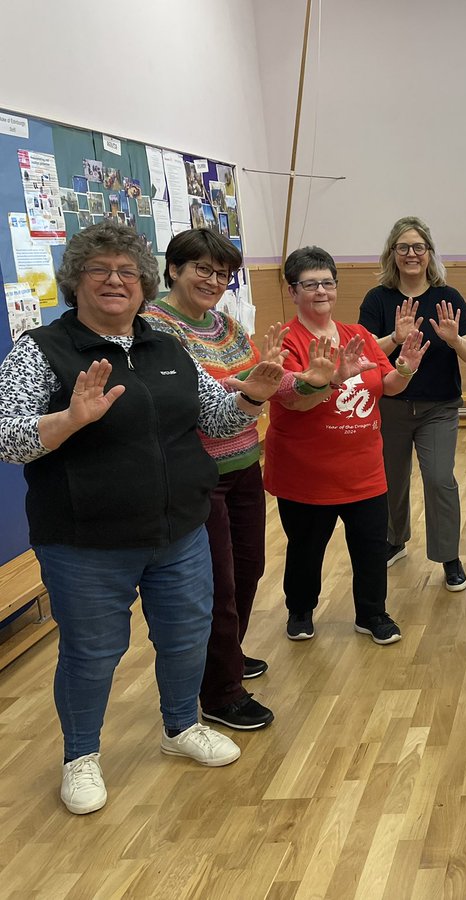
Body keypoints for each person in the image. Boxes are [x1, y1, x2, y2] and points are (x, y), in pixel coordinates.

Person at [0, 221, 283, 815]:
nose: (115, 280)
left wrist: (252, 396)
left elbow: (217, 418)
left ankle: (181, 726)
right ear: (75, 280)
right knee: (93, 653)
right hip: (85, 541)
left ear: (144, 283)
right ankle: (81, 756)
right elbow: (8, 438)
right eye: (100, 269)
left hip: (179, 531)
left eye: (127, 271)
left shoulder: (166, 347)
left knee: (187, 636)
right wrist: (69, 420)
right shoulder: (39, 350)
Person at [143, 229, 274, 732]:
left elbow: (260, 379)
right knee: (217, 584)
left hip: (244, 464)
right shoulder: (154, 326)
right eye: (202, 269)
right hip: (197, 475)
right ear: (173, 269)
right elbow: (200, 394)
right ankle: (221, 693)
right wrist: (251, 387)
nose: (214, 281)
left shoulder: (225, 324)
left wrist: (310, 380)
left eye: (222, 274)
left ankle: (225, 658)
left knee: (249, 569)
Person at [263, 246, 427, 644]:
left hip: (364, 470)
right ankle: (300, 610)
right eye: (310, 284)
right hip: (306, 474)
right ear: (292, 291)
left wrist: (406, 368)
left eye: (327, 282)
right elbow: (294, 401)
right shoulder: (286, 342)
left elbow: (387, 385)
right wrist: (333, 379)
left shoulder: (359, 335)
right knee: (306, 549)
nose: (321, 291)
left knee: (371, 548)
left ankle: (372, 614)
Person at [358, 216, 466, 591]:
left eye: (418, 247)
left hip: (438, 408)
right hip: (390, 406)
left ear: (429, 253)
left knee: (440, 479)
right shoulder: (377, 299)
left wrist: (454, 339)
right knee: (391, 480)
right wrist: (395, 338)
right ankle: (395, 540)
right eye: (403, 247)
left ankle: (448, 555)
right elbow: (364, 354)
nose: (411, 254)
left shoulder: (449, 297)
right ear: (392, 253)